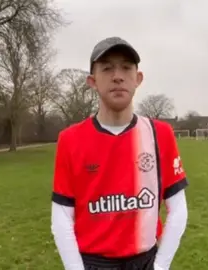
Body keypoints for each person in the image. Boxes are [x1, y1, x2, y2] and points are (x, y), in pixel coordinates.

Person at [51, 37, 189, 270]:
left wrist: (160, 266)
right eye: (107, 68)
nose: (117, 76)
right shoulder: (70, 139)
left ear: (138, 78)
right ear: (92, 81)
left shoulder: (160, 134)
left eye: (126, 67)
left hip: (146, 260)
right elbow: (62, 216)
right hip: (93, 263)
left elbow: (178, 209)